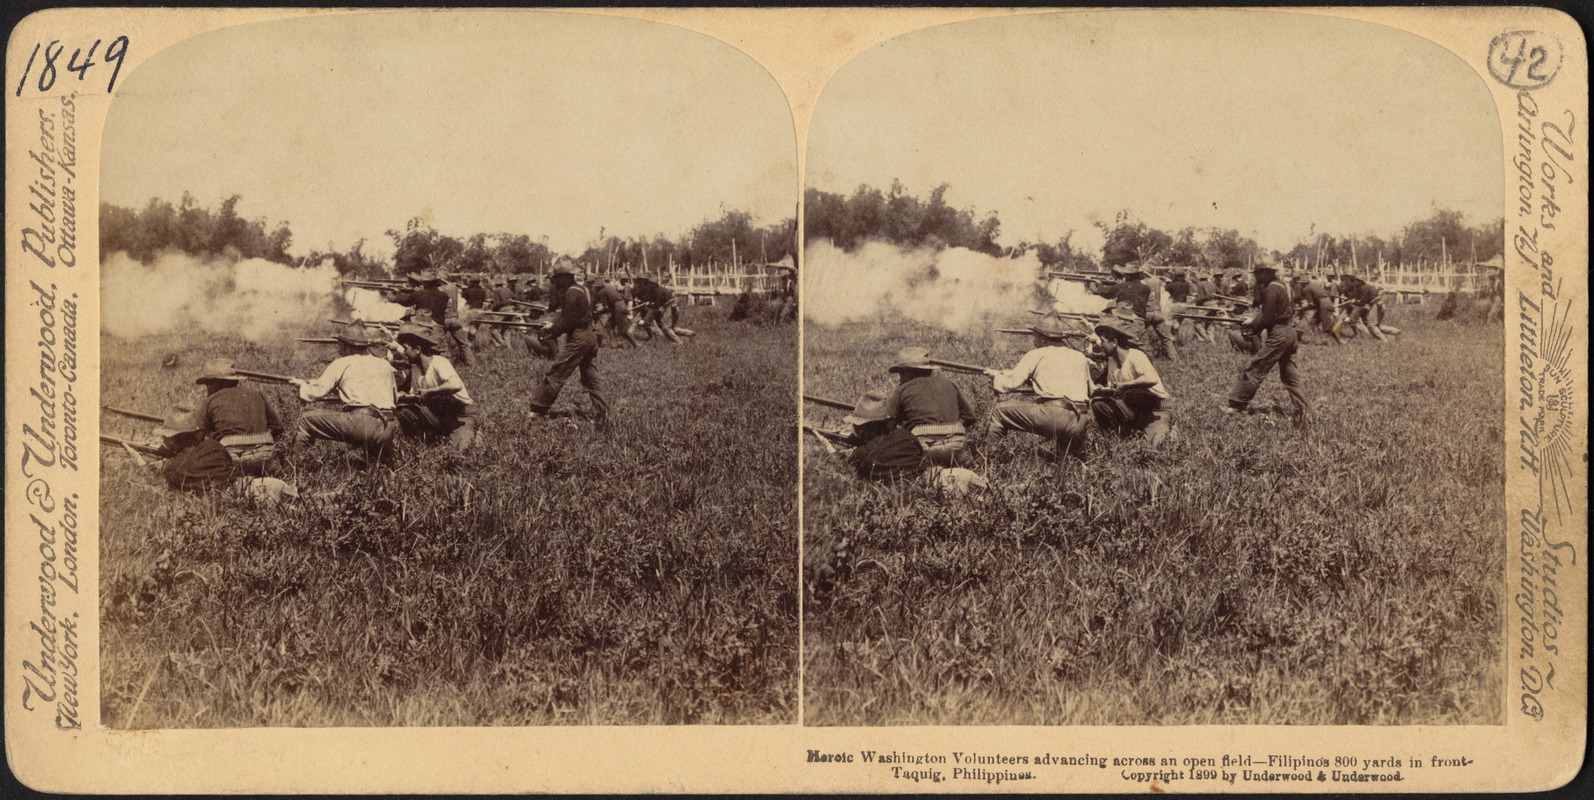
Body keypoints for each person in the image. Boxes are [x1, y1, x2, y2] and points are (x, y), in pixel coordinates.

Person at [289, 323, 400, 461]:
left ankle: (295, 468)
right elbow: (395, 399)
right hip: (388, 427)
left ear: (347, 347)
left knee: (306, 420)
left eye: (339, 345)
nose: (338, 349)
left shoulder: (342, 362)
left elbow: (315, 393)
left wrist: (302, 386)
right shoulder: (385, 364)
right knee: (374, 468)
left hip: (363, 425)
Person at [982, 321, 1094, 458]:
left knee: (999, 412)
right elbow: (1089, 390)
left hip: (1055, 417)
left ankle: (991, 462)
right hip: (1080, 419)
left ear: (1043, 338)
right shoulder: (1080, 356)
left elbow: (1010, 384)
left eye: (1035, 337)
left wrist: (996, 377)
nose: (1034, 342)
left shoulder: (1036, 354)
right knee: (1068, 463)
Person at [1225, 263, 1308, 424]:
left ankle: (1236, 406)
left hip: (1278, 334)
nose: (1255, 276)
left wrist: (1252, 323)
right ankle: (1304, 408)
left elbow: (1268, 317)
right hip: (1289, 332)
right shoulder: (1283, 285)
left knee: (1256, 368)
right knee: (1289, 374)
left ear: (1265, 273)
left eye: (1257, 273)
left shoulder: (1271, 289)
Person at [528, 264, 608, 425]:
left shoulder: (569, 294)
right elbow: (569, 316)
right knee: (590, 377)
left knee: (557, 372)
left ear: (564, 278)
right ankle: (602, 412)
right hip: (590, 336)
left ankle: (538, 410)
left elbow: (568, 322)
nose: (554, 283)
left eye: (556, 279)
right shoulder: (583, 290)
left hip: (579, 339)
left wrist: (552, 331)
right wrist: (553, 324)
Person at [883, 347, 976, 467]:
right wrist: (949, 429)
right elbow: (970, 416)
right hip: (957, 448)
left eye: (901, 373)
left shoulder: (902, 389)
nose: (900, 377)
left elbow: (888, 424)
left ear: (908, 372)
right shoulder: (948, 384)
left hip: (924, 449)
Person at [393, 323, 479, 453]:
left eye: (406, 349)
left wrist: (429, 392)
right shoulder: (416, 369)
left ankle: (472, 433)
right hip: (438, 414)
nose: (404, 353)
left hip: (460, 416)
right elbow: (415, 395)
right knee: (403, 411)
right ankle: (419, 445)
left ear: (417, 349)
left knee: (457, 453)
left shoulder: (439, 362)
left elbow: (456, 385)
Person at [192, 357, 284, 475]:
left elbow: (196, 438)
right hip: (265, 455)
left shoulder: (208, 402)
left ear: (215, 382)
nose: (207, 388)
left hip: (232, 457)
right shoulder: (256, 394)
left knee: (229, 484)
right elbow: (278, 427)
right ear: (234, 380)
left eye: (208, 383)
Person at [1091, 320, 1175, 447]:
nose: (1100, 345)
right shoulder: (1112, 360)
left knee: (1153, 448)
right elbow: (1113, 387)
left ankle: (1169, 427)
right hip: (1133, 407)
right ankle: (1111, 442)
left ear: (1114, 342)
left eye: (1103, 341)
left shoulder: (1135, 356)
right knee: (1098, 405)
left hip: (1156, 410)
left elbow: (1152, 379)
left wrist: (1125, 385)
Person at [1094, 263, 1176, 359]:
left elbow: (1106, 292)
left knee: (1122, 343)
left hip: (1127, 320)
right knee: (1149, 346)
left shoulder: (1122, 286)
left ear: (1127, 275)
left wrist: (1099, 284)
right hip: (1148, 315)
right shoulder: (1146, 288)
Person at [591, 275, 640, 348]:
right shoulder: (609, 287)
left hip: (618, 307)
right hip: (619, 306)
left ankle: (636, 344)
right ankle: (613, 345)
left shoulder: (601, 292)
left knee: (622, 330)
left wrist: (597, 312)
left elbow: (606, 307)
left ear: (597, 287)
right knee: (609, 326)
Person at [631, 277, 682, 343]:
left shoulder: (657, 291)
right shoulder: (650, 289)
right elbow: (641, 296)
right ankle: (659, 337)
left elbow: (656, 305)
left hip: (665, 307)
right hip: (659, 307)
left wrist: (648, 304)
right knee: (658, 324)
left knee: (663, 326)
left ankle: (678, 342)